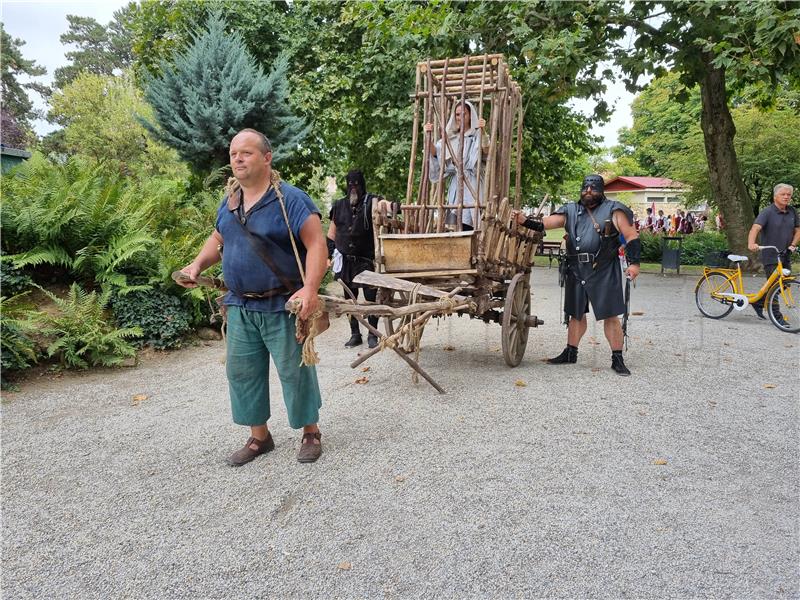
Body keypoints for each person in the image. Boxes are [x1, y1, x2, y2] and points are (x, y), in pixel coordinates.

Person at [177, 129, 327, 466]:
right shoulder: (229, 202)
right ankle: (260, 437)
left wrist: (311, 289)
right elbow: (219, 238)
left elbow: (317, 243)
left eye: (246, 153)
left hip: (282, 305)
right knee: (242, 372)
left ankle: (311, 433)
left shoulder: (291, 200)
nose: (238, 159)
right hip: (240, 305)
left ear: (267, 158)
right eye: (234, 155)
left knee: (296, 371)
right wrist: (197, 264)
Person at [513, 174, 641, 375]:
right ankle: (570, 352)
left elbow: (631, 236)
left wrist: (634, 265)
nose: (588, 192)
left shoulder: (615, 209)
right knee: (576, 313)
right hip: (576, 268)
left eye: (593, 189)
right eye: (585, 188)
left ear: (601, 190)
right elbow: (545, 223)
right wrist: (524, 220)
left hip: (604, 268)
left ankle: (617, 358)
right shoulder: (570, 210)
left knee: (610, 315)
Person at [327, 170, 383, 349]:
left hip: (365, 261)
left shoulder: (372, 201)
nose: (353, 188)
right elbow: (331, 234)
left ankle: (373, 335)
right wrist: (328, 256)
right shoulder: (338, 205)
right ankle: (355, 334)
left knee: (370, 298)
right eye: (350, 184)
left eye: (356, 184)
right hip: (345, 262)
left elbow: (384, 206)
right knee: (349, 301)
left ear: (362, 184)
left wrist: (389, 206)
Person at [424, 100, 488, 231]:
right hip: (457, 184)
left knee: (475, 219)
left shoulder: (477, 135)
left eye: (463, 114)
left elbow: (487, 150)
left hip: (473, 183)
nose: (460, 118)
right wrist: (427, 136)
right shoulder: (452, 137)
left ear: (470, 115)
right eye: (457, 115)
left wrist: (484, 131)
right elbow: (436, 153)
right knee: (457, 220)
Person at [747, 183, 800, 319]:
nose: (786, 197)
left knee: (785, 283)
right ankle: (777, 317)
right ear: (775, 196)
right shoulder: (767, 212)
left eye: (788, 195)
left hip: (785, 254)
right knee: (776, 285)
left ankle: (759, 302)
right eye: (783, 194)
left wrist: (793, 245)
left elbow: (798, 230)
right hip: (771, 255)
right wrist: (751, 243)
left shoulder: (792, 211)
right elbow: (755, 228)